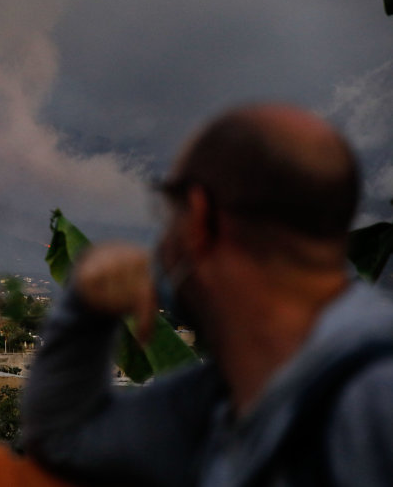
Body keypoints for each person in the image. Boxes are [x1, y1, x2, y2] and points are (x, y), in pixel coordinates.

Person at [22, 104, 393, 487]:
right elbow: (64, 443)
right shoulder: (228, 395)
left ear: (199, 217)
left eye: (168, 213)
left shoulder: (371, 398)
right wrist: (86, 310)